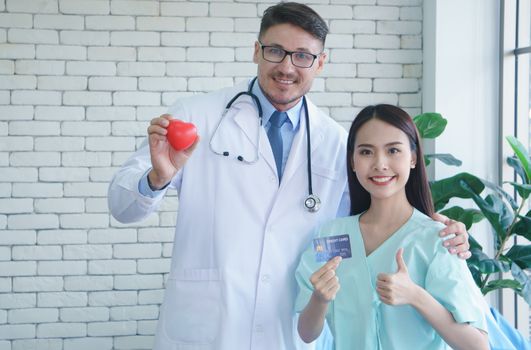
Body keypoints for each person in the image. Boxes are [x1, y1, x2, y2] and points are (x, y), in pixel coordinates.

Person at [108, 3, 471, 350]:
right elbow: (123, 208)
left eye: (302, 56)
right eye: (275, 51)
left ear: (320, 62)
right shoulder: (196, 116)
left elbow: (366, 219)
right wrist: (157, 178)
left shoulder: (335, 142)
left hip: (290, 328)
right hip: (208, 325)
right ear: (256, 51)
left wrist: (434, 227)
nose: (287, 66)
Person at [295, 105, 488, 350]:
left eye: (393, 150)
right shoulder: (332, 236)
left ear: (414, 158)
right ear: (352, 161)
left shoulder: (438, 239)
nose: (380, 164)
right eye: (366, 152)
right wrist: (320, 299)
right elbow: (307, 333)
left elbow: (478, 345)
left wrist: (416, 296)